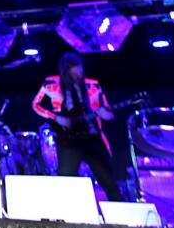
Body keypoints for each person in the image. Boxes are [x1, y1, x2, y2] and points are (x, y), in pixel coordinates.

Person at [31, 52, 122, 201]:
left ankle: (121, 215)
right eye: (73, 72)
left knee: (108, 181)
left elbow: (108, 110)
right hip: (69, 139)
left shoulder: (93, 85)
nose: (78, 75)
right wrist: (55, 117)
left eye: (79, 71)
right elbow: (35, 104)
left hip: (91, 136)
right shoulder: (51, 84)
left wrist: (107, 115)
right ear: (65, 72)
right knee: (66, 181)